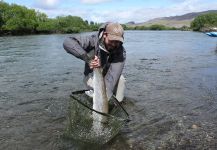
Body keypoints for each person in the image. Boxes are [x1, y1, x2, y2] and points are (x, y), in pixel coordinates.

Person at [63, 22, 126, 102]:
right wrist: (88, 59)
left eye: (117, 42)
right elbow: (67, 42)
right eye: (112, 40)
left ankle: (116, 104)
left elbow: (113, 76)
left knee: (121, 80)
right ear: (105, 35)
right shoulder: (91, 40)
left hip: (108, 75)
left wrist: (106, 94)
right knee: (96, 99)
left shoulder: (120, 51)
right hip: (92, 75)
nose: (114, 44)